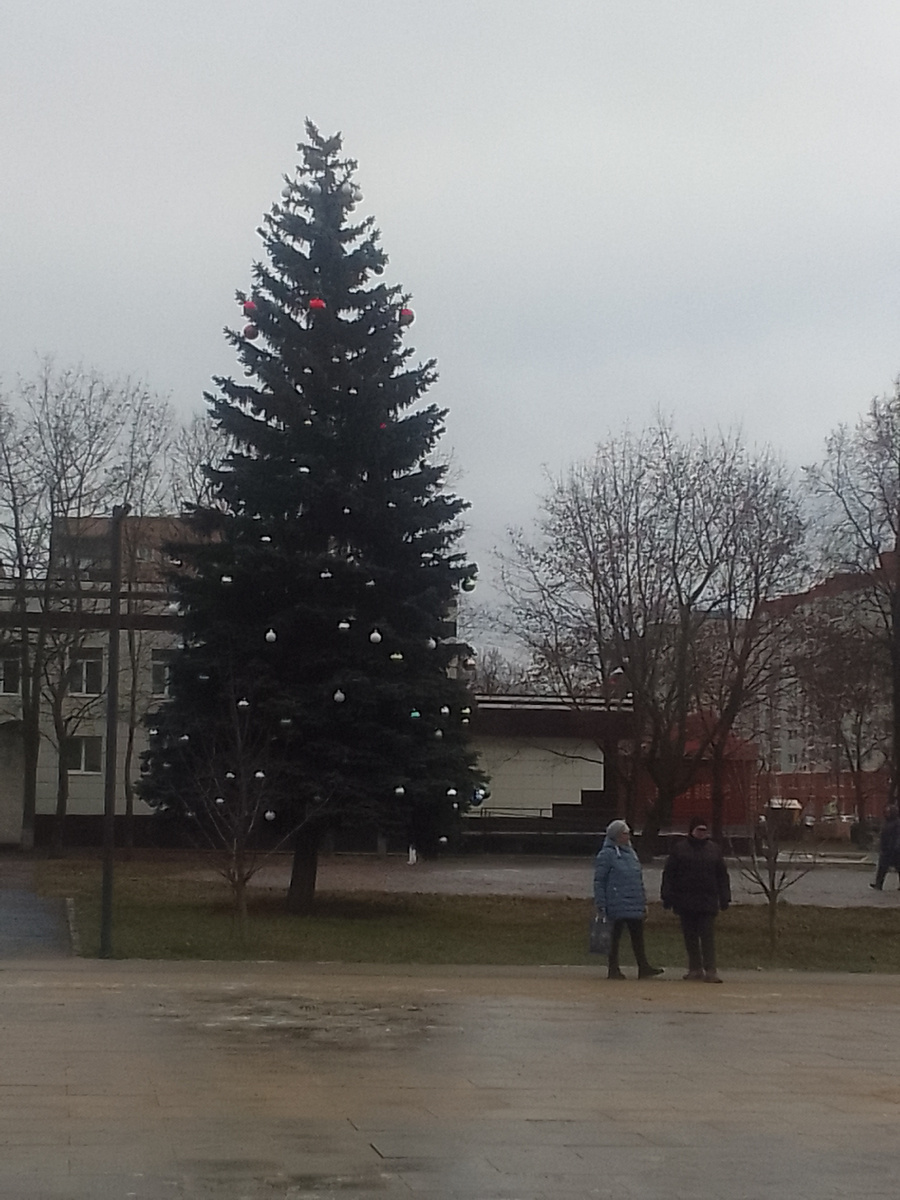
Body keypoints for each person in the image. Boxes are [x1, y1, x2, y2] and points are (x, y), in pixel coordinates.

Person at [661, 815, 731, 983]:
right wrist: (667, 896)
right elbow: (669, 874)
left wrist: (725, 897)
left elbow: (722, 875)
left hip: (707, 901)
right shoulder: (679, 849)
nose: (702, 833)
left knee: (707, 937)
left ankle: (710, 970)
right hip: (685, 901)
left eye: (704, 830)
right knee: (690, 937)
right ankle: (695, 968)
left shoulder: (714, 850)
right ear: (691, 831)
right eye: (699, 830)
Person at [593, 819, 663, 981]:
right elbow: (599, 881)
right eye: (624, 833)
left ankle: (643, 966)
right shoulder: (606, 855)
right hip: (615, 902)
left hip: (634, 901)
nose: (627, 836)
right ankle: (613, 968)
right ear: (615, 835)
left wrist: (643, 901)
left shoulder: (631, 854)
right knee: (614, 936)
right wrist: (601, 903)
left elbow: (637, 879)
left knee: (637, 935)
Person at [870, 804, 900, 890]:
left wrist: (896, 846)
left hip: (894, 850)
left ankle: (878, 884)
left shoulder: (897, 823)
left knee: (898, 867)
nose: (886, 814)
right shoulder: (886, 822)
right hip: (886, 849)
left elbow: (898, 836)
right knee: (882, 867)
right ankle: (878, 884)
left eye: (888, 812)